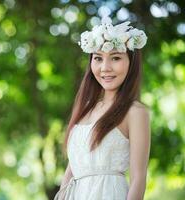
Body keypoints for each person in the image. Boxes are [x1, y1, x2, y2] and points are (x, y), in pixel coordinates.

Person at [54, 16, 151, 200]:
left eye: (115, 58)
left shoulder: (135, 112)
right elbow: (71, 172)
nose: (105, 67)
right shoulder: (86, 110)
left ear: (131, 63)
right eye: (98, 58)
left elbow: (139, 178)